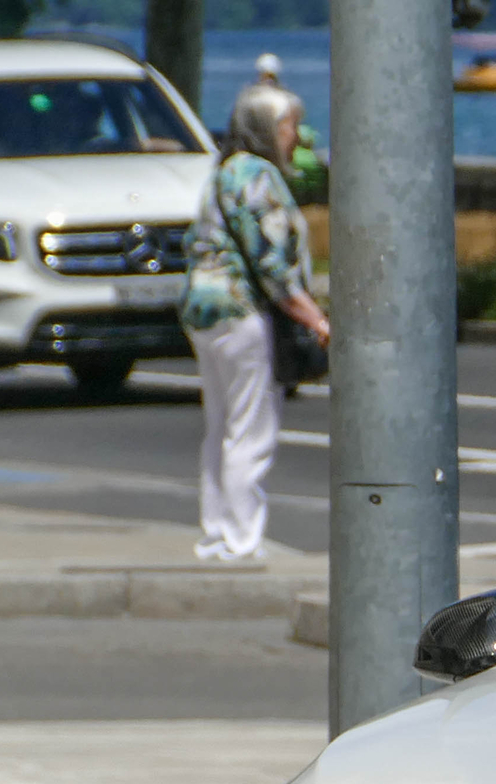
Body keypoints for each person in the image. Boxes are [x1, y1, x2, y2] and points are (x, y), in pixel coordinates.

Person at [179, 83, 329, 563]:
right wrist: (315, 317)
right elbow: (271, 263)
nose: (295, 137)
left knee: (220, 424)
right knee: (250, 428)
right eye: (287, 126)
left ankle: (216, 531)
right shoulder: (258, 176)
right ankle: (244, 539)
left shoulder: (222, 171)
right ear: (266, 130)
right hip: (241, 309)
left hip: (202, 307)